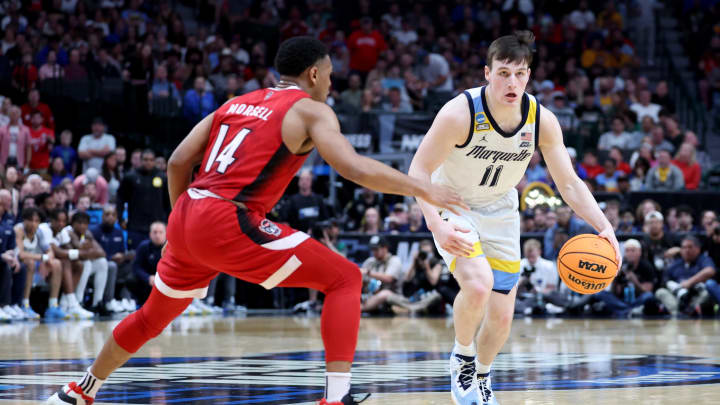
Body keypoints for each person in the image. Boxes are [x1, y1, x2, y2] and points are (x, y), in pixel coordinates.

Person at [48, 36, 463, 405]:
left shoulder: (235, 103)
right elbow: (352, 168)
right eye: (331, 76)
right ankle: (336, 398)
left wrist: (182, 222)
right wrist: (423, 188)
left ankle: (81, 390)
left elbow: (177, 160)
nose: (331, 85)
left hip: (188, 211)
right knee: (345, 279)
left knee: (151, 317)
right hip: (228, 217)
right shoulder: (311, 111)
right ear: (315, 74)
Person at [408, 31, 620, 405]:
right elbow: (418, 171)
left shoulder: (541, 119)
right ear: (487, 72)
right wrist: (435, 224)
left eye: (520, 74)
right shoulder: (460, 113)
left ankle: (484, 376)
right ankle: (461, 356)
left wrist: (604, 227)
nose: (512, 82)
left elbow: (569, 184)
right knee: (477, 285)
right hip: (452, 203)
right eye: (504, 73)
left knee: (502, 316)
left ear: (529, 75)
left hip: (501, 210)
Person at [14, 207, 65, 319]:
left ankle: (53, 305)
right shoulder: (19, 230)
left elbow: (50, 251)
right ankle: (25, 304)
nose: (33, 224)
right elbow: (21, 254)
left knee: (56, 263)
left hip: (35, 265)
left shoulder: (39, 232)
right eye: (30, 220)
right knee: (30, 263)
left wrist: (47, 260)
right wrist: (42, 258)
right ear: (24, 220)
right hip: (18, 264)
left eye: (36, 221)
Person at [117, 149, 170, 250]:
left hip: (157, 226)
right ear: (141, 161)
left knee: (159, 258)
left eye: (151, 160)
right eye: (145, 159)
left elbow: (168, 202)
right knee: (134, 255)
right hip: (135, 226)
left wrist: (168, 221)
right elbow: (120, 199)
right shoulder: (130, 177)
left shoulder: (163, 177)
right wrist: (120, 218)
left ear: (154, 161)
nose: (148, 162)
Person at [594, 239, 656, 318]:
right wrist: (615, 279)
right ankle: (629, 310)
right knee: (600, 294)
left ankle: (624, 310)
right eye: (627, 251)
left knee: (649, 296)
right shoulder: (621, 265)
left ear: (639, 252)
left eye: (633, 250)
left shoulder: (646, 266)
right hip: (622, 300)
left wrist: (634, 281)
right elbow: (614, 292)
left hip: (638, 300)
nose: (630, 253)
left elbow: (647, 291)